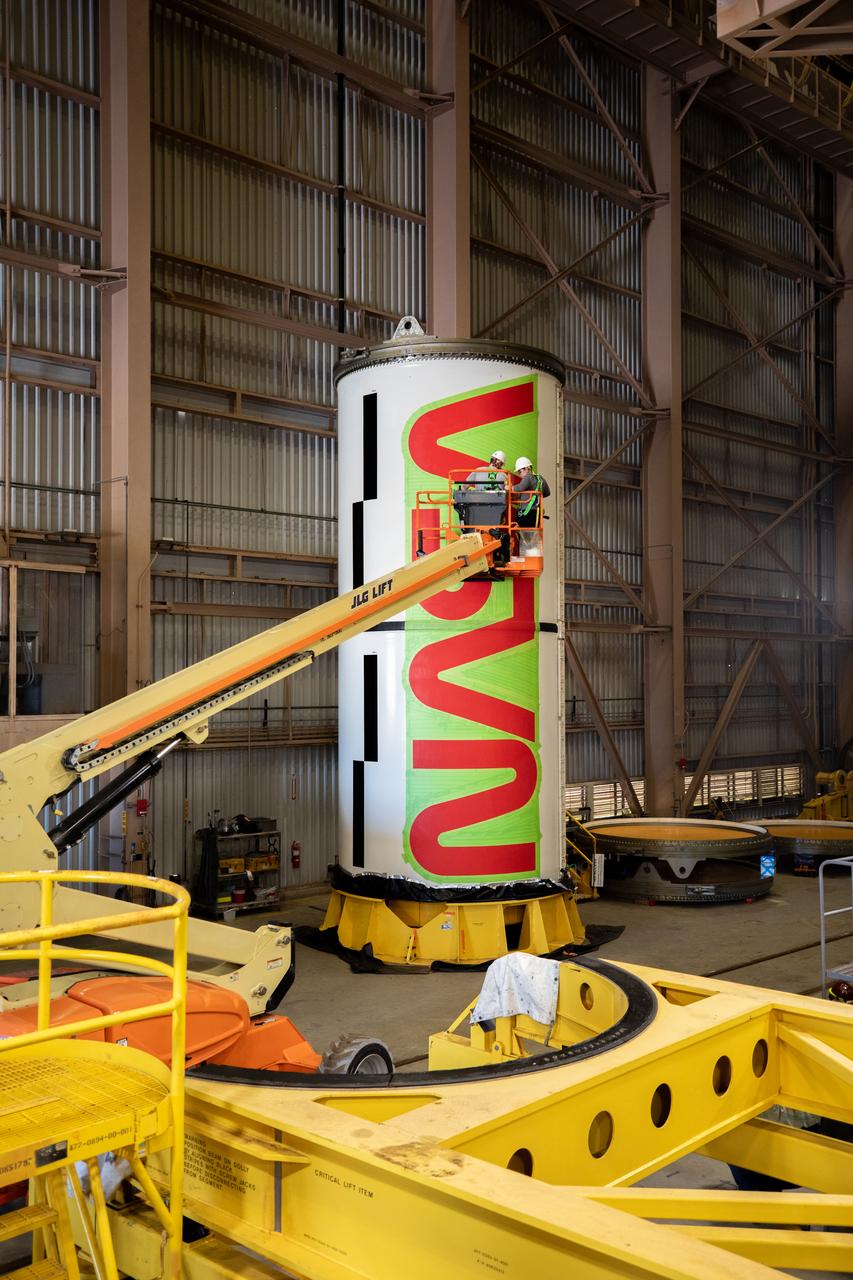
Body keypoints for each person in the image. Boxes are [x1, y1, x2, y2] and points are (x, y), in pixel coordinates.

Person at [512, 457, 550, 527]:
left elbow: (520, 487)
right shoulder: (540, 478)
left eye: (520, 471)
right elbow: (547, 493)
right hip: (537, 513)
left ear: (527, 468)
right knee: (532, 533)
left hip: (525, 513)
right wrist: (536, 496)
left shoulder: (527, 477)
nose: (519, 474)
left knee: (520, 530)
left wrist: (510, 487)